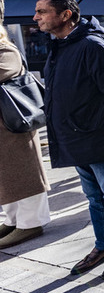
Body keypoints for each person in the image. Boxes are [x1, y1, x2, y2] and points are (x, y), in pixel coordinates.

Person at [35, 0, 104, 277]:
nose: (36, 18)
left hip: (97, 135)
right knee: (95, 197)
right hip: (74, 135)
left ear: (66, 15)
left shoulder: (91, 45)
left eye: (42, 12)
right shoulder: (59, 46)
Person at [0, 25, 50, 250]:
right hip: (4, 127)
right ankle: (13, 220)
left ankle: (31, 223)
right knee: (6, 178)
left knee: (25, 174)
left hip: (14, 124)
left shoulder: (6, 51)